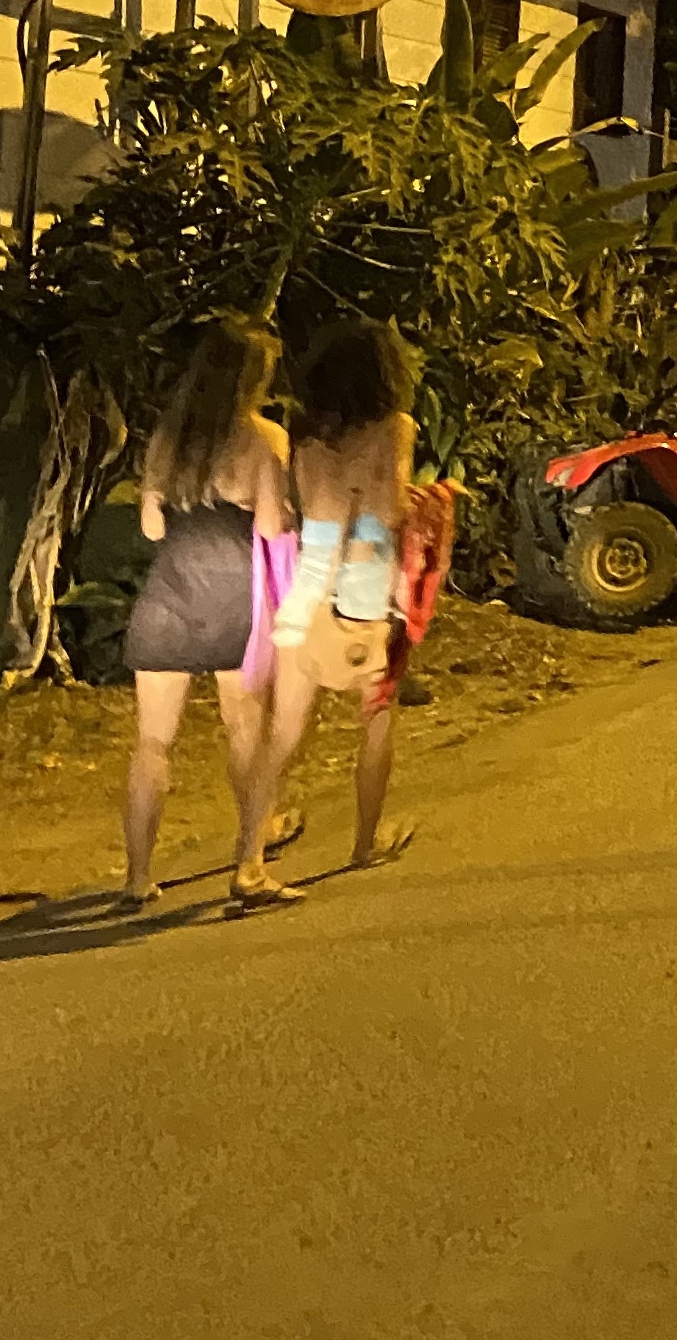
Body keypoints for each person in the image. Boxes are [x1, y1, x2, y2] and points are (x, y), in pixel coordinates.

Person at [118, 315, 297, 914]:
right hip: (234, 599)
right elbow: (269, 526)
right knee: (247, 733)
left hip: (169, 595)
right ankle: (249, 866)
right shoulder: (264, 438)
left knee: (152, 743)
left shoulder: (167, 439)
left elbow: (151, 527)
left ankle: (137, 877)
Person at [257, 317, 439, 869]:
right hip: (368, 585)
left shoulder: (306, 436)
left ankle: (252, 846)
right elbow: (388, 509)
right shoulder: (395, 428)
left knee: (286, 728)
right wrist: (425, 504)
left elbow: (304, 510)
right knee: (376, 717)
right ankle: (365, 843)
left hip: (309, 579)